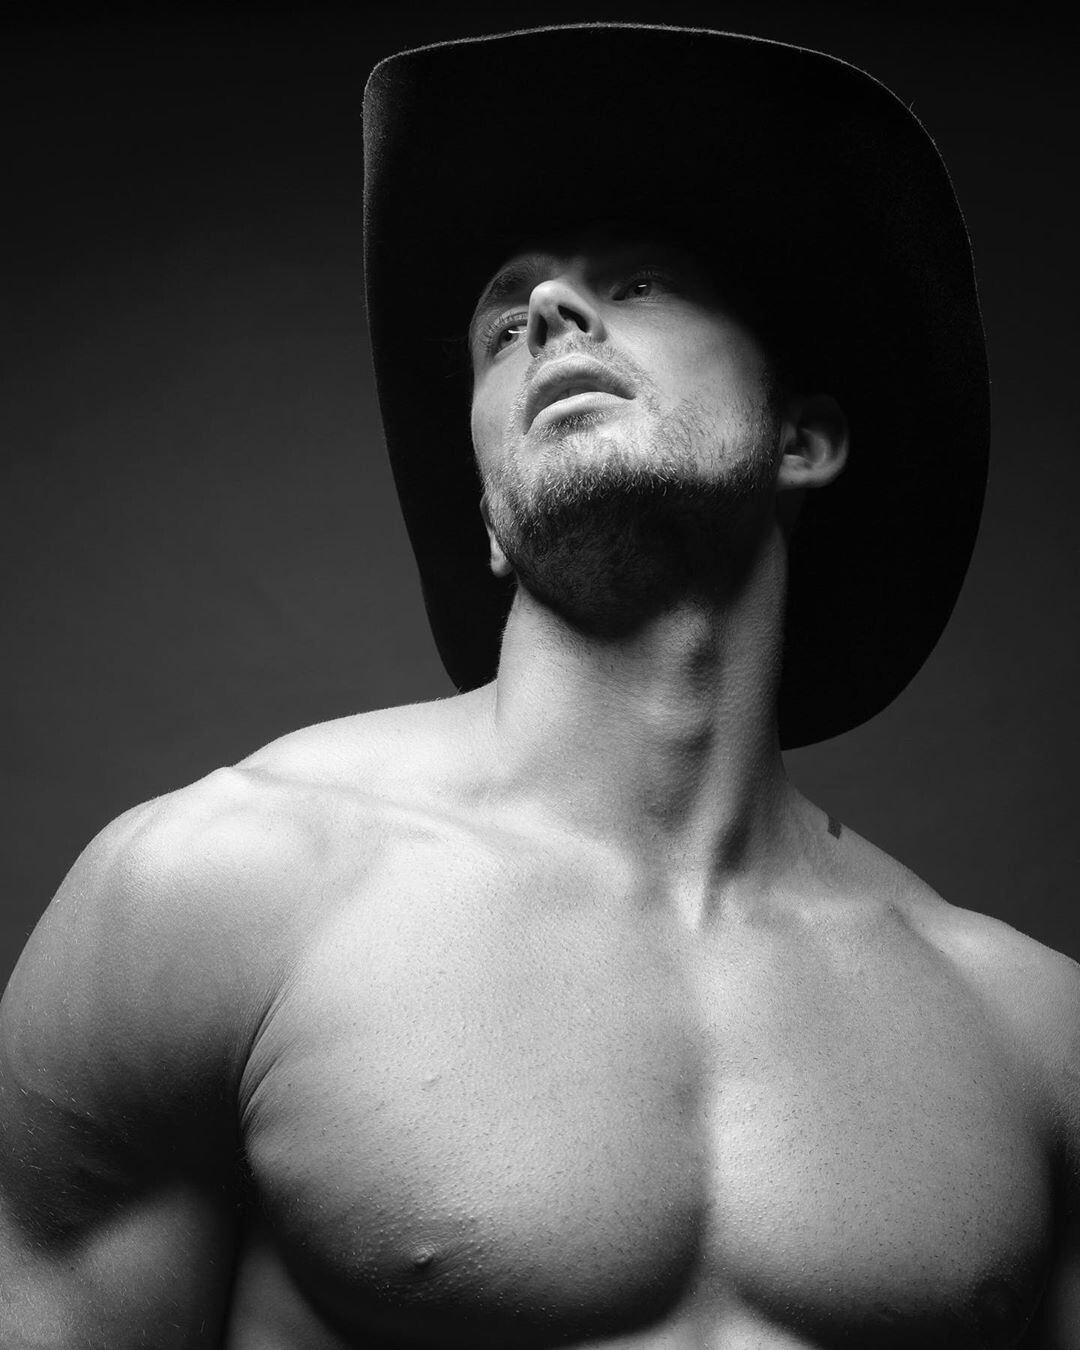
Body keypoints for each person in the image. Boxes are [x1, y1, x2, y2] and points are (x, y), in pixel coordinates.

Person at [1, 23, 1077, 1348]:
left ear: (802, 439)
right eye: (506, 324)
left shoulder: (1028, 1033)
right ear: (492, 517)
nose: (555, 312)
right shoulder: (216, 895)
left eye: (640, 284)